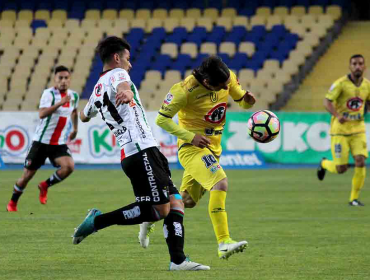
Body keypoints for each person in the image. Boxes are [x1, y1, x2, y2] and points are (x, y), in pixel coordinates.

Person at [73, 36, 209, 271]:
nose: (130, 64)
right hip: (140, 150)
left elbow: (84, 115)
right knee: (158, 210)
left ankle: (178, 261)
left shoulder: (95, 91)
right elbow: (123, 86)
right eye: (127, 58)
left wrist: (94, 109)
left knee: (176, 202)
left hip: (141, 151)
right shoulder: (118, 74)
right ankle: (97, 221)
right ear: (116, 58)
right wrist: (125, 93)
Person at [153, 55, 256, 259]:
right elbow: (161, 120)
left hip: (214, 149)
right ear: (207, 82)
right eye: (221, 86)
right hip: (191, 148)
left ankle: (151, 212)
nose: (226, 88)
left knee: (187, 201)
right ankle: (224, 242)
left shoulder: (226, 79)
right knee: (220, 183)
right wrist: (191, 137)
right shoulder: (183, 91)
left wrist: (247, 102)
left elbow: (241, 101)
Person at [6, 66, 79, 212]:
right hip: (41, 142)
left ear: (70, 80)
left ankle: (45, 185)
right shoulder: (49, 94)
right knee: (27, 176)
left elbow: (75, 112)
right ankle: (13, 203)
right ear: (55, 79)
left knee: (69, 166)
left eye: (66, 78)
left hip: (58, 143)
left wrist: (75, 129)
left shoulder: (74, 96)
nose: (63, 81)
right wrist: (60, 102)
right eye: (60, 78)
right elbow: (42, 114)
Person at [317, 54, 370, 206]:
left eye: (360, 64)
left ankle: (353, 199)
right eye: (354, 64)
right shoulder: (340, 84)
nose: (357, 66)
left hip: (358, 129)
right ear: (350, 66)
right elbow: (327, 101)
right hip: (340, 130)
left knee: (360, 161)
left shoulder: (367, 85)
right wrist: (337, 115)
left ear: (364, 67)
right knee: (341, 168)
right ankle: (324, 163)